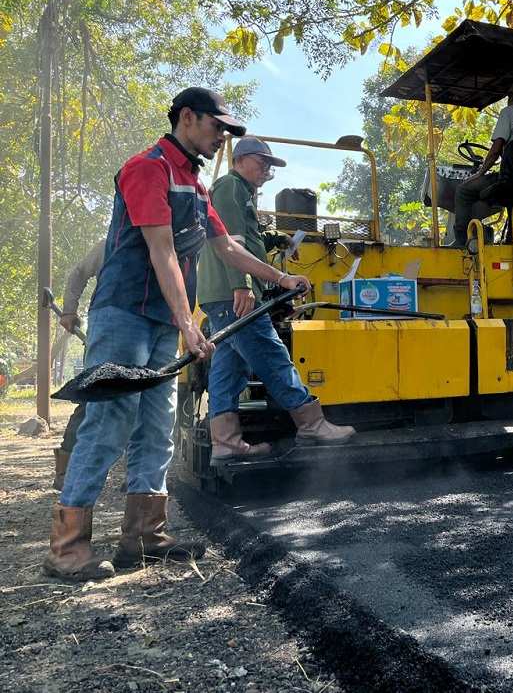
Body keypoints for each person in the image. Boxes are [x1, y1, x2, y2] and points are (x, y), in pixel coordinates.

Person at [44, 87, 312, 582]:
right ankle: (67, 548)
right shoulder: (147, 168)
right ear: (187, 117)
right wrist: (190, 323)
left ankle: (144, 537)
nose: (223, 137)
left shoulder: (196, 185)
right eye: (217, 126)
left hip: (162, 320)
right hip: (124, 313)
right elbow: (162, 249)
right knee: (110, 420)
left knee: (157, 425)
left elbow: (226, 247)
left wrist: (279, 277)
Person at [198, 136, 355, 465]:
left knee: (229, 366)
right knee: (272, 354)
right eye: (261, 162)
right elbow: (231, 242)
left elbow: (249, 237)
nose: (266, 170)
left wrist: (277, 239)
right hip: (232, 292)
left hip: (219, 294)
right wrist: (242, 285)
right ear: (240, 160)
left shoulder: (240, 192)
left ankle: (225, 442)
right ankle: (311, 423)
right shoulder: (230, 186)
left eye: (269, 166)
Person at [452, 81, 513, 247]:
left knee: (463, 190)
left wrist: (479, 174)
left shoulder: (508, 112)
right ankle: (512, 240)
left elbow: (495, 152)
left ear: (511, 98)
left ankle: (462, 241)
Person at [52, 238, 106, 490]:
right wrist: (69, 310)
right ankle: (65, 472)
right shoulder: (108, 244)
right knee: (91, 402)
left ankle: (134, 476)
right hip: (104, 329)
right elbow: (78, 273)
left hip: (143, 329)